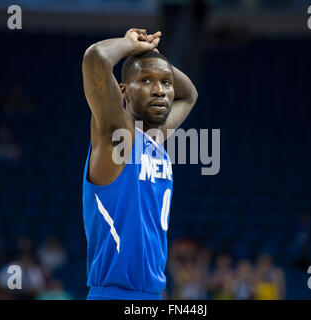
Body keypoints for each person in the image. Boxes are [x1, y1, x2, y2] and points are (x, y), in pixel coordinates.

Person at [81, 28, 198, 300]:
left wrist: (152, 55)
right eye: (146, 81)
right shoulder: (116, 138)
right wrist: (130, 45)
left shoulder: (154, 139)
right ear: (123, 91)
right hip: (115, 294)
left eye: (166, 83)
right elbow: (95, 58)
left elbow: (188, 94)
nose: (160, 91)